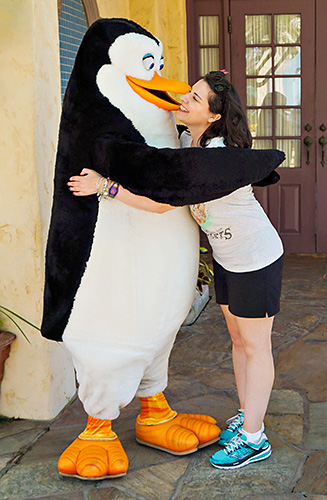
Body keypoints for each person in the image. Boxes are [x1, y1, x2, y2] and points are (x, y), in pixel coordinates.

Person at [68, 70, 283, 470]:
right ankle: (247, 416)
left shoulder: (212, 157)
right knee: (239, 343)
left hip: (256, 259)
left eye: (195, 99)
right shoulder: (191, 139)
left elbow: (164, 201)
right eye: (189, 94)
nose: (184, 101)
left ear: (214, 116)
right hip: (227, 259)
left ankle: (255, 438)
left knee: (256, 347)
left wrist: (105, 187)